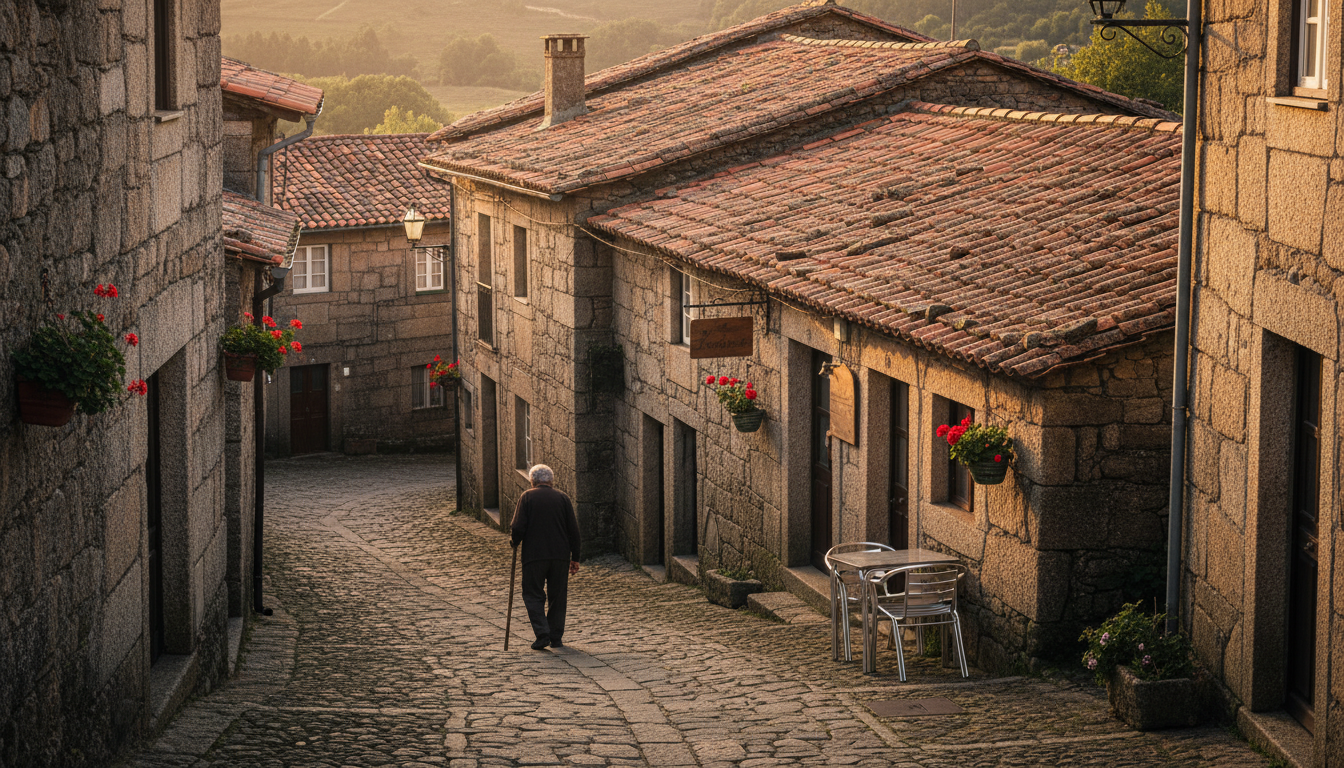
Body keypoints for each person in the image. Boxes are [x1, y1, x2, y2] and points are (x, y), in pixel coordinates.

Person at [510, 464, 581, 650]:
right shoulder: (563, 498)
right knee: (558, 596)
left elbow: (517, 527)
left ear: (532, 481)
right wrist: (575, 557)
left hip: (534, 556)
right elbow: (574, 531)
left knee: (532, 593)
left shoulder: (527, 497)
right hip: (560, 556)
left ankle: (542, 634)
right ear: (551, 481)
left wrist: (515, 541)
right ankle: (556, 637)